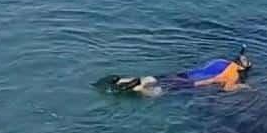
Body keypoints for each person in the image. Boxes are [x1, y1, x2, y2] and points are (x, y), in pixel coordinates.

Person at [94, 45, 252, 96]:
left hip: (185, 74)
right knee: (160, 91)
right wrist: (244, 87)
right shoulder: (233, 74)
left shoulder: (220, 61)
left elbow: (206, 67)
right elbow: (226, 86)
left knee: (158, 78)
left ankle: (122, 80)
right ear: (241, 67)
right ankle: (136, 88)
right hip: (193, 82)